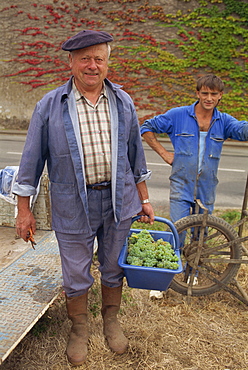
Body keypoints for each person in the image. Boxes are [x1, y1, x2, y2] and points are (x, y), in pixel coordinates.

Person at [13, 30, 154, 366]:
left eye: (99, 59)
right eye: (85, 59)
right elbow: (30, 161)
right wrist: (23, 211)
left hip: (118, 200)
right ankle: (79, 327)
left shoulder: (123, 102)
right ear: (71, 62)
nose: (93, 65)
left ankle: (110, 319)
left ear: (107, 63)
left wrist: (144, 198)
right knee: (75, 270)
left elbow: (136, 157)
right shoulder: (49, 105)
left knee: (112, 265)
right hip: (72, 203)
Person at [140, 74, 248, 224]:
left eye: (213, 94)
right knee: (179, 231)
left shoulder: (224, 121)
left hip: (207, 187)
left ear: (220, 96)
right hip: (181, 185)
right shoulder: (178, 115)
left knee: (201, 235)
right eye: (205, 93)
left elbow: (242, 131)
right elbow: (146, 127)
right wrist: (164, 154)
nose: (209, 98)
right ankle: (179, 247)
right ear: (197, 94)